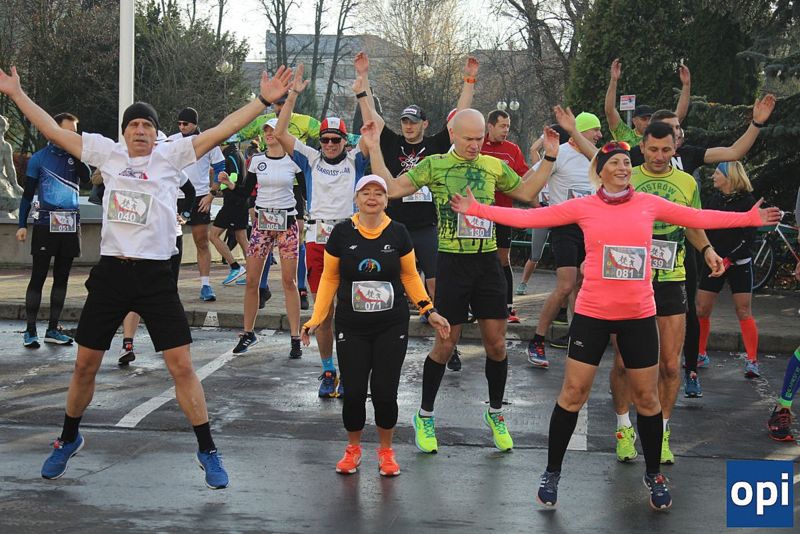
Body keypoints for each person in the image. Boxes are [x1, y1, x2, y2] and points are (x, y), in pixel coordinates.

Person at [0, 62, 294, 488]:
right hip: (112, 274)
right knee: (84, 364)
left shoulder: (171, 156)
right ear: (124, 132)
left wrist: (263, 100)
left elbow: (222, 129)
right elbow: (52, 130)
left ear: (157, 133)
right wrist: (16, 94)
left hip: (156, 276)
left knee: (181, 366)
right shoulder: (107, 153)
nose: (140, 130)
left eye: (147, 125)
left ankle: (208, 449)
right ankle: (68, 438)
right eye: (134, 125)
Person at [449, 138, 780, 511]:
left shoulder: (648, 203)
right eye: (616, 163)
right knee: (572, 394)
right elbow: (529, 217)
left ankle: (653, 474)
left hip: (638, 314)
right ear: (601, 171)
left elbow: (698, 218)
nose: (623, 167)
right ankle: (552, 472)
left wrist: (749, 219)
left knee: (647, 398)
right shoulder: (585, 206)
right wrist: (478, 209)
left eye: (626, 162)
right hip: (593, 313)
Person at [367, 110, 561, 454]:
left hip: (487, 263)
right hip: (452, 263)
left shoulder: (493, 166)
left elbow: (528, 191)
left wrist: (550, 156)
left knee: (497, 344)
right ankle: (425, 416)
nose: (474, 145)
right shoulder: (435, 164)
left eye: (479, 139)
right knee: (446, 343)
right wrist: (373, 148)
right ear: (453, 134)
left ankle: (496, 413)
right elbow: (393, 188)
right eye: (468, 138)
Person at [301, 175, 450, 476]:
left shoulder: (398, 232)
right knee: (354, 391)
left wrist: (429, 309)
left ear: (386, 200)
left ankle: (386, 451)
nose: (372, 198)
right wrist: (316, 318)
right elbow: (329, 278)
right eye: (366, 192)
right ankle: (353, 449)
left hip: (390, 325)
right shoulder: (342, 233)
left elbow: (409, 276)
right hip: (352, 325)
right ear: (356, 199)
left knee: (385, 391)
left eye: (379, 193)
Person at [609, 122, 728, 466]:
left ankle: (660, 433)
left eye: (666, 150)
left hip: (672, 279)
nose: (659, 156)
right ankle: (623, 428)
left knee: (671, 365)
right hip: (630, 278)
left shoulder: (687, 182)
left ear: (675, 148)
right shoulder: (626, 178)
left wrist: (707, 250)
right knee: (623, 361)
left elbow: (692, 223)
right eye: (653, 149)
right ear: (642, 148)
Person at [358, 52, 477, 370]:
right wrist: (363, 78)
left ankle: (448, 344)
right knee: (390, 282)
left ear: (424, 124)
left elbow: (461, 116)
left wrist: (469, 80)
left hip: (426, 227)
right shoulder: (391, 142)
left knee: (438, 284)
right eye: (404, 122)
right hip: (395, 226)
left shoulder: (437, 144)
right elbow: (371, 115)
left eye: (413, 122)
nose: (408, 127)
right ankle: (382, 340)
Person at [275, 64, 371, 398]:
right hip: (318, 243)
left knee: (353, 312)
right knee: (323, 312)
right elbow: (281, 131)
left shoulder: (356, 159)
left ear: (345, 141)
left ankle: (352, 372)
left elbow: (372, 129)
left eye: (335, 139)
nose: (330, 144)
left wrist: (362, 89)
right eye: (326, 139)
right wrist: (292, 95)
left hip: (351, 240)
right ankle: (329, 371)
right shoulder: (310, 159)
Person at [523, 111, 603, 368]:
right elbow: (527, 182)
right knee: (566, 286)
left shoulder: (596, 158)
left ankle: (576, 337)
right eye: (595, 129)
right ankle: (537, 340)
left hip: (590, 231)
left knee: (582, 285)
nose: (599, 134)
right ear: (581, 130)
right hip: (565, 229)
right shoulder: (561, 153)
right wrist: (540, 208)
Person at [16, 112, 90, 347]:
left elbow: (87, 179)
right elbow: (27, 195)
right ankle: (30, 330)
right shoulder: (39, 158)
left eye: (75, 132)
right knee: (38, 276)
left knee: (62, 277)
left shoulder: (75, 156)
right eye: (68, 132)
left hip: (69, 224)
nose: (73, 136)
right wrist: (21, 224)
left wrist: (76, 153)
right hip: (45, 224)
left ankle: (53, 328)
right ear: (54, 130)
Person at [233, 118, 303, 359]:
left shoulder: (294, 161)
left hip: (287, 223)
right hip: (262, 224)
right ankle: (248, 332)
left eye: (274, 130)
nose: (270, 134)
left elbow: (303, 191)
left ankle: (295, 337)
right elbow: (246, 191)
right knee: (252, 280)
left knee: (289, 281)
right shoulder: (256, 161)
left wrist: (301, 217)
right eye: (266, 130)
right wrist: (227, 186)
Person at [696, 161, 760, 378]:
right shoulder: (714, 199)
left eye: (717, 173)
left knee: (743, 310)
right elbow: (704, 230)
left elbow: (749, 239)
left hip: (738, 263)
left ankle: (752, 360)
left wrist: (729, 259)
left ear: (729, 176)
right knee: (702, 309)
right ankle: (700, 354)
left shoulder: (748, 201)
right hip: (714, 262)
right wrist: (709, 253)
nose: (713, 176)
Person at [169, 107, 225, 302]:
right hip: (175, 196)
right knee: (169, 243)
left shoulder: (207, 141)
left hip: (200, 196)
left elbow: (220, 168)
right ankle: (168, 286)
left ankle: (205, 285)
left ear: (195, 124)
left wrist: (212, 194)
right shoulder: (172, 140)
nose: (182, 127)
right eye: (179, 124)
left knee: (201, 241)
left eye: (186, 124)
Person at [481, 109, 531, 324]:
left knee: (502, 259)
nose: (506, 130)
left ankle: (508, 306)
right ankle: (476, 306)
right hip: (478, 214)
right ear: (490, 126)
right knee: (477, 259)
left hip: (503, 213)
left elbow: (524, 179)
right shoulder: (477, 145)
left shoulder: (513, 150)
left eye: (508, 126)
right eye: (502, 126)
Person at [604, 58, 690, 146]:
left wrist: (686, 85)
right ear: (634, 121)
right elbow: (610, 111)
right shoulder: (624, 134)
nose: (648, 122)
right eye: (644, 119)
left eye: (650, 119)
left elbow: (679, 115)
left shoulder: (660, 135)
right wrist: (613, 80)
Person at [208, 134, 249, 286]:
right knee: (242, 238)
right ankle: (253, 273)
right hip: (241, 201)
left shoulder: (230, 155)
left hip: (233, 202)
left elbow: (234, 177)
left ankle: (235, 266)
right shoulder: (237, 153)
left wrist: (220, 187)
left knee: (213, 235)